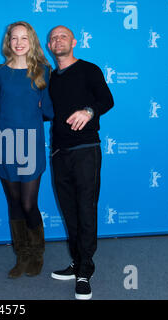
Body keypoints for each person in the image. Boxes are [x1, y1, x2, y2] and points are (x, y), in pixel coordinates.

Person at [47, 25, 114, 300]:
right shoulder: (51, 77)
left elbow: (107, 100)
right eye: (53, 38)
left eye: (63, 36)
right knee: (70, 212)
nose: (57, 40)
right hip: (59, 153)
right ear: (49, 46)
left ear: (73, 41)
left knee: (86, 209)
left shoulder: (89, 69)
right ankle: (77, 262)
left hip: (86, 150)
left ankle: (86, 269)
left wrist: (89, 111)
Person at [0, 21, 54, 279]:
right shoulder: (0, 73)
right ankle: (22, 255)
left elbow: (49, 110)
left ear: (31, 41)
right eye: (14, 38)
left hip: (31, 144)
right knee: (13, 202)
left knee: (28, 202)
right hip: (4, 141)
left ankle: (37, 254)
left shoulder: (44, 70)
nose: (19, 42)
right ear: (8, 42)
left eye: (24, 37)